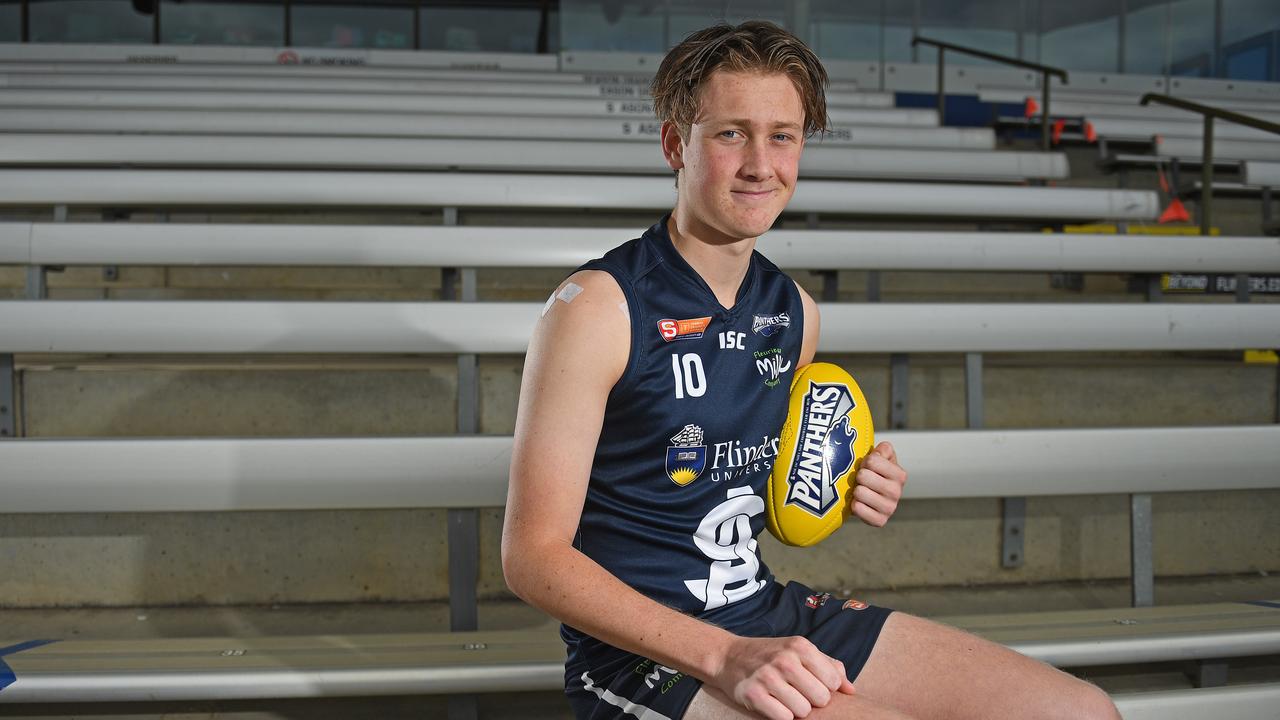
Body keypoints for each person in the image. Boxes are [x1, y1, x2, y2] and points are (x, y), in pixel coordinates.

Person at [502, 20, 1121, 720]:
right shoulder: (597, 309)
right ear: (677, 143)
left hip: (766, 611)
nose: (761, 164)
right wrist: (723, 656)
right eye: (731, 133)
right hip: (648, 659)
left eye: (783, 135)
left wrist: (843, 480)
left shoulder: (794, 310)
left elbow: (749, 495)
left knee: (1080, 711)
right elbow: (532, 558)